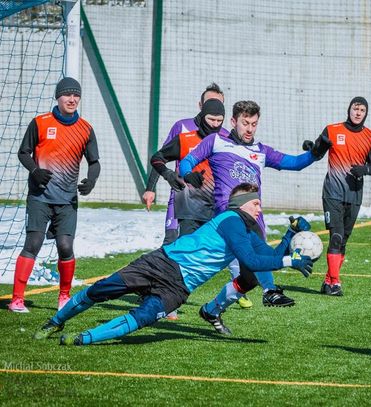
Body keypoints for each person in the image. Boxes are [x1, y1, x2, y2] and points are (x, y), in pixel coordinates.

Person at [33, 183, 313, 345]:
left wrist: (291, 234)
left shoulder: (248, 231)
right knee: (102, 290)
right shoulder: (231, 221)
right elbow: (253, 260)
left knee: (142, 318)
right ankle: (55, 322)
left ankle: (83, 339)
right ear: (240, 204)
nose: (260, 209)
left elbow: (269, 258)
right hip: (163, 263)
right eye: (256, 204)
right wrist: (290, 259)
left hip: (180, 286)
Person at [180, 100, 320, 311]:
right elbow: (187, 162)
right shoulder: (216, 141)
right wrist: (188, 175)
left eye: (254, 124)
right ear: (233, 121)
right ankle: (269, 291)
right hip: (229, 217)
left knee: (250, 277)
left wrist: (317, 152)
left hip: (253, 218)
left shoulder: (261, 151)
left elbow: (295, 163)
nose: (249, 129)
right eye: (245, 123)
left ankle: (211, 310)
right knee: (247, 264)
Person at [8, 77, 100, 313]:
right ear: (57, 97)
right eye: (67, 95)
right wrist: (35, 171)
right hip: (40, 197)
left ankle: (64, 297)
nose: (72, 99)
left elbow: (94, 162)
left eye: (76, 95)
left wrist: (91, 181)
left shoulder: (85, 129)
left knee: (65, 246)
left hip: (67, 200)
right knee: (34, 243)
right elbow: (23, 153)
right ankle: (17, 299)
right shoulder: (40, 123)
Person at [303, 96, 371, 296]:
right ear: (349, 110)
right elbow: (318, 153)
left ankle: (328, 281)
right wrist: (316, 145)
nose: (357, 113)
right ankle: (335, 283)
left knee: (343, 240)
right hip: (333, 193)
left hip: (354, 195)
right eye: (355, 109)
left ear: (366, 113)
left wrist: (364, 169)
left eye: (362, 110)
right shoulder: (332, 129)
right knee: (336, 236)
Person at [142, 82, 228, 244]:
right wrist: (150, 189)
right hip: (181, 198)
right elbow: (161, 156)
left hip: (211, 203)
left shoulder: (225, 135)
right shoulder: (182, 127)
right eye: (210, 102)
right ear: (201, 106)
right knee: (172, 242)